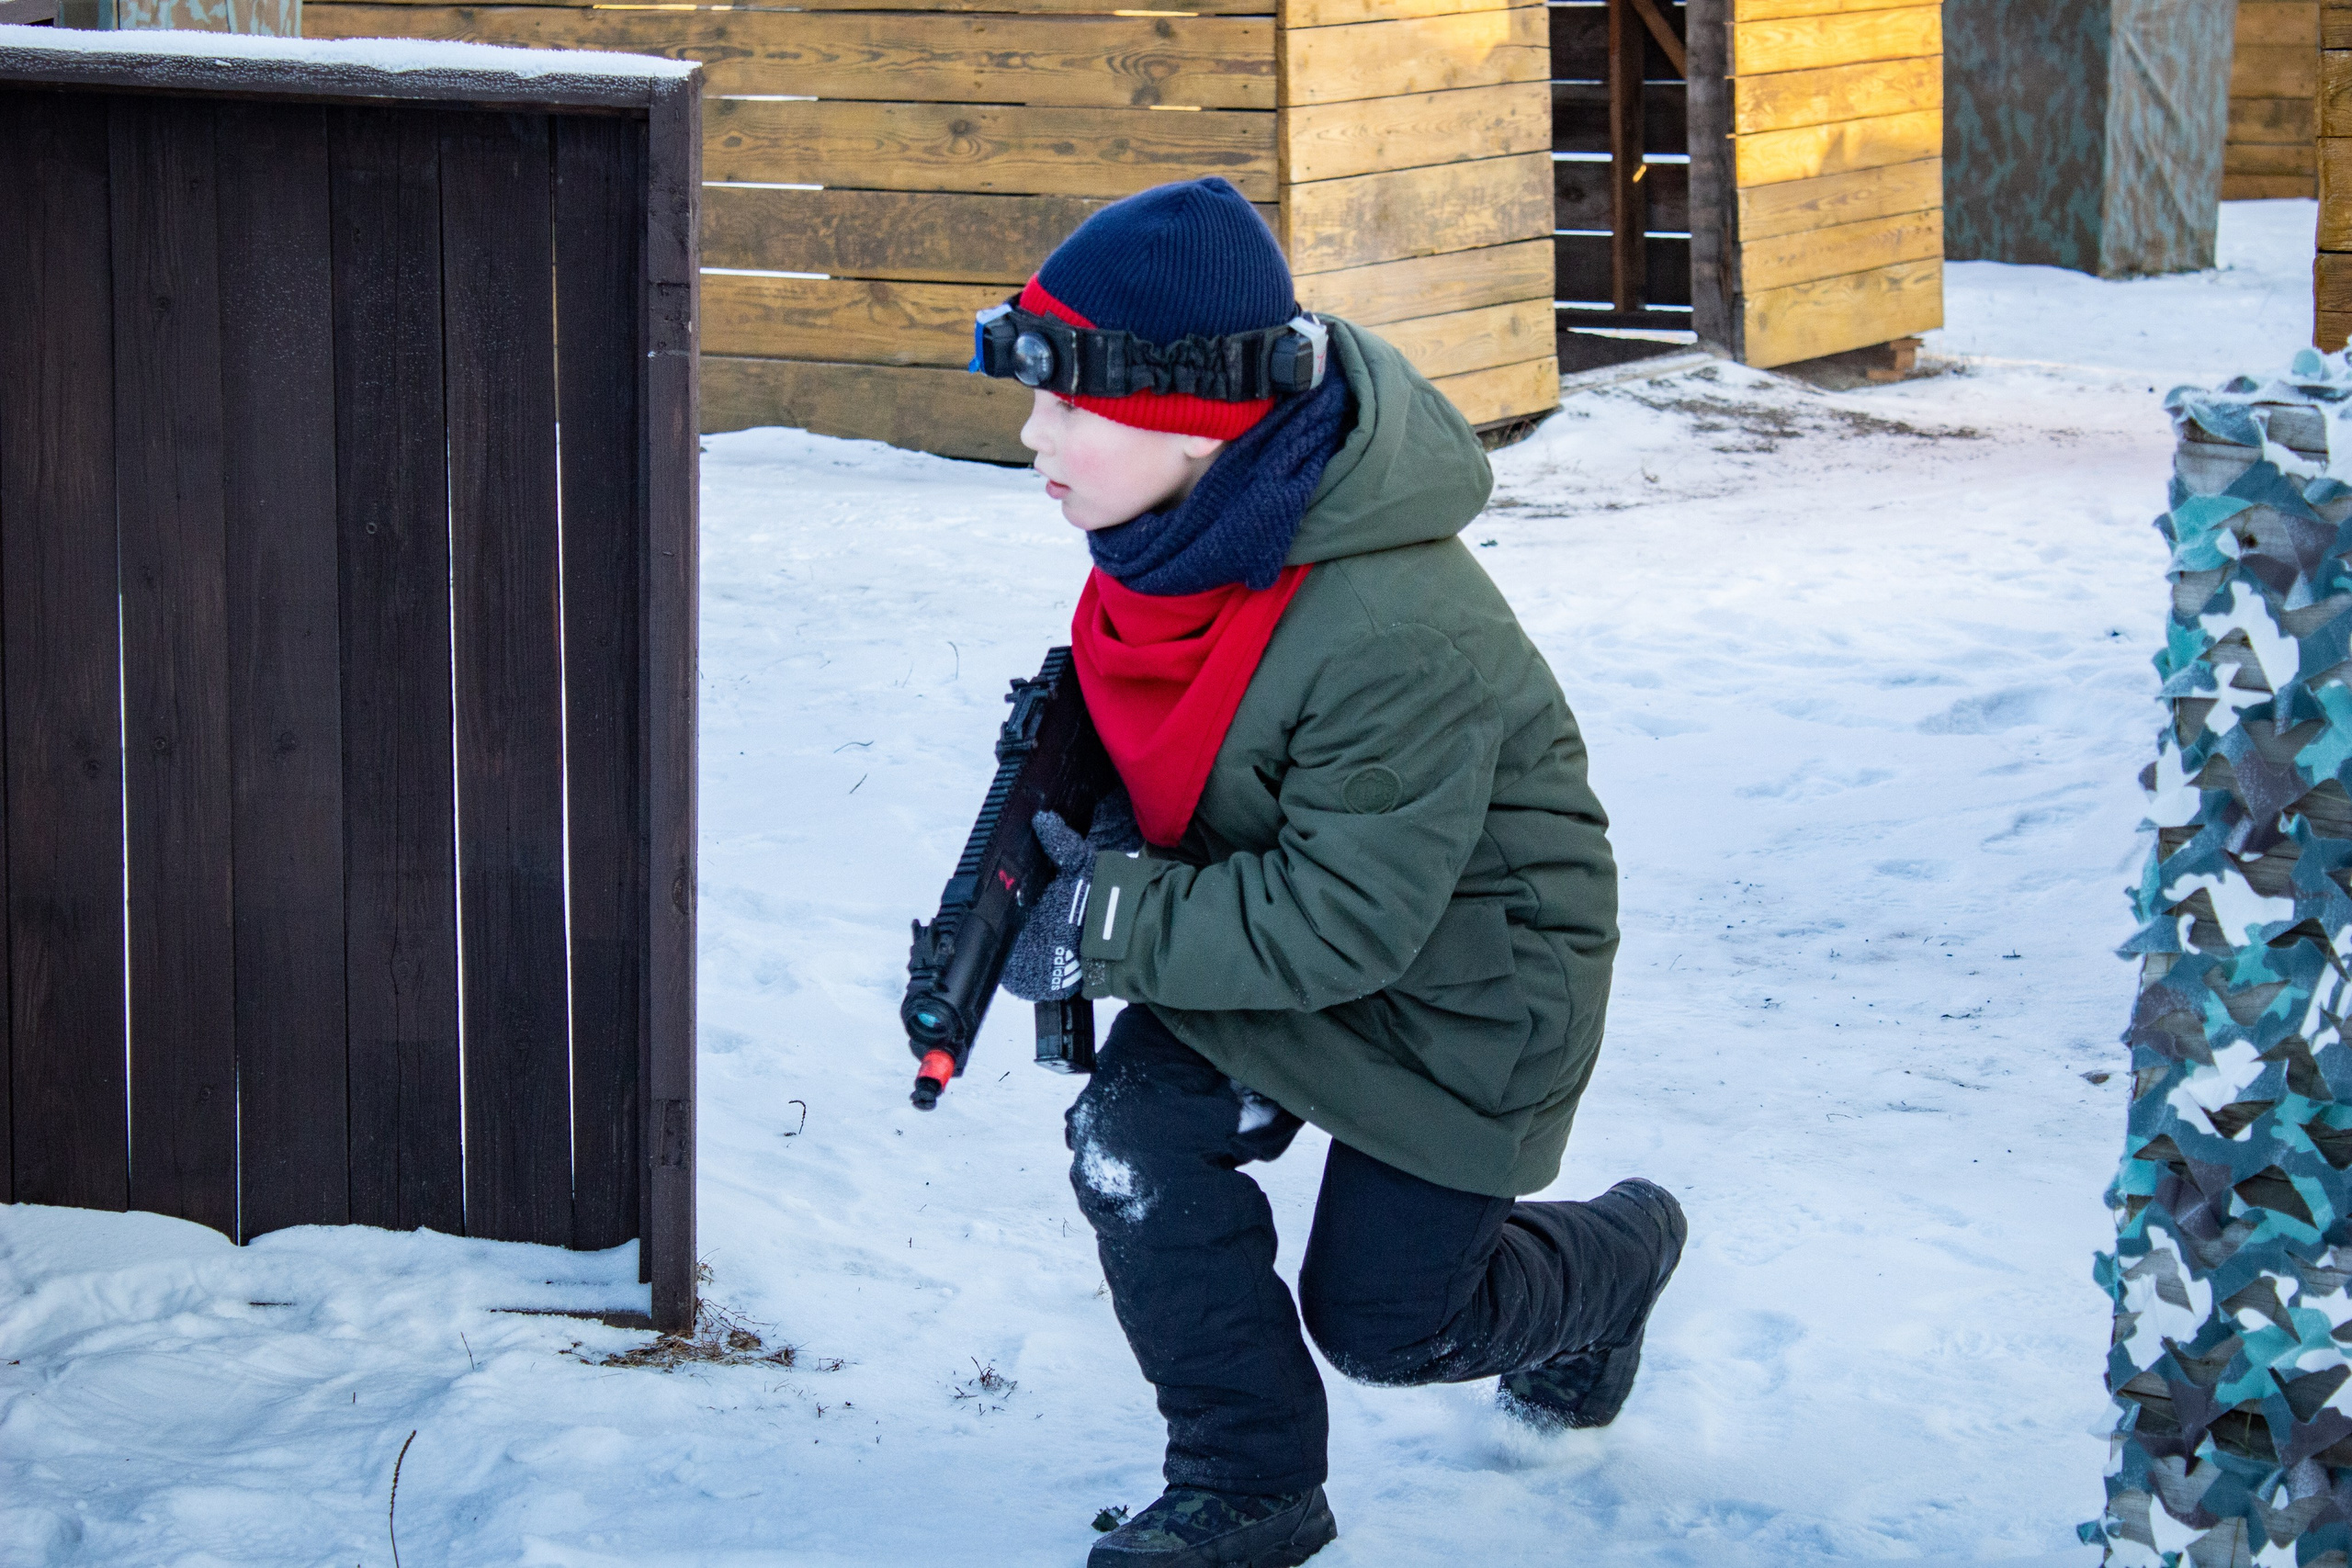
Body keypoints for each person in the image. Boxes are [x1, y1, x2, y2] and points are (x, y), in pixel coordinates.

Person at [981, 177, 1687, 1568]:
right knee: (1134, 1137)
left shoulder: (1387, 626)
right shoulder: (1183, 540)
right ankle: (1247, 1484)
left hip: (1468, 988)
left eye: (1071, 408)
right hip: (1286, 918)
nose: (1032, 434)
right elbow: (1203, 764)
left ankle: (1618, 1263)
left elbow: (1340, 921)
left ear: (1194, 423)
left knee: (1391, 1328)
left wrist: (1100, 913)